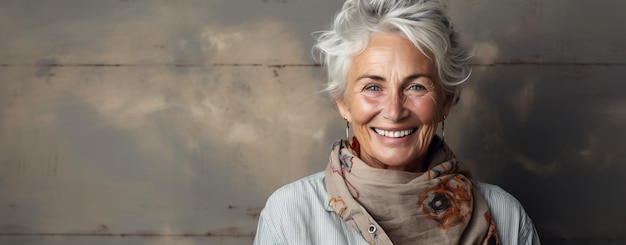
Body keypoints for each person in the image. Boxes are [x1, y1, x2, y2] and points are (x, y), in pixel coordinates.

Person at [254, 0, 540, 244]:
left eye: (415, 87)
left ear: (445, 102)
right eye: (372, 87)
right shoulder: (291, 214)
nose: (394, 111)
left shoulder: (505, 215)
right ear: (343, 102)